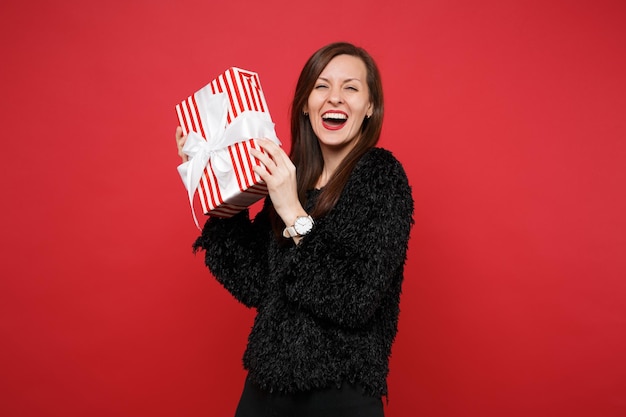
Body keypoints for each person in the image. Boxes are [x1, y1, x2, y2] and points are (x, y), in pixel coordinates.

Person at [175, 42, 414, 417]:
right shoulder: (293, 178)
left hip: (342, 395)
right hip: (264, 392)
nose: (334, 98)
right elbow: (254, 283)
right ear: (305, 103)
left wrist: (292, 210)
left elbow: (355, 300)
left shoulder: (381, 177)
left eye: (350, 88)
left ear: (370, 107)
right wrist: (215, 181)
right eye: (321, 86)